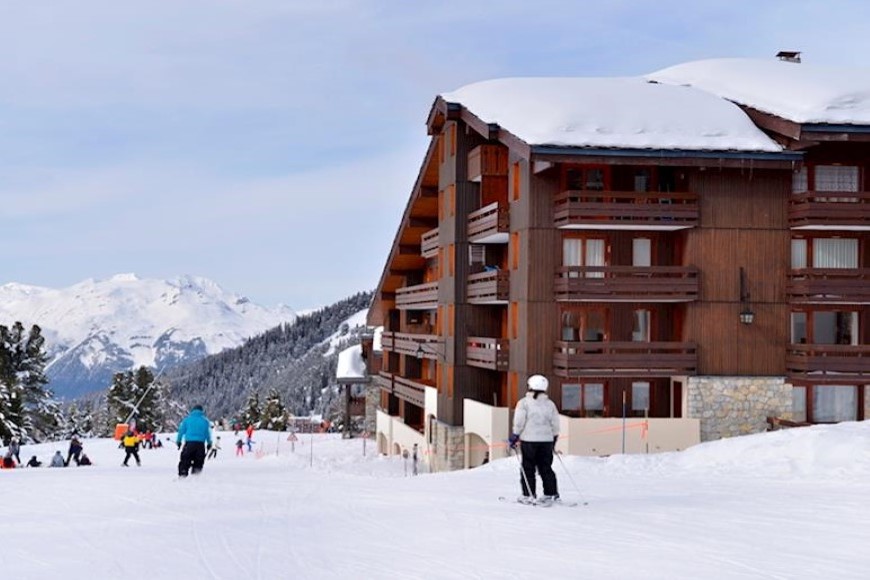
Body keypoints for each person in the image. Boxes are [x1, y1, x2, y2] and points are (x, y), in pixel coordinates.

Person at [509, 374, 560, 506]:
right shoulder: (550, 404)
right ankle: (551, 493)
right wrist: (554, 437)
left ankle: (528, 494)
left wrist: (515, 435)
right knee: (546, 467)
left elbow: (519, 421)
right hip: (547, 440)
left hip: (529, 440)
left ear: (530, 386)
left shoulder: (524, 403)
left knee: (528, 467)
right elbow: (555, 423)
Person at [176, 404, 213, 477]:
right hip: (200, 444)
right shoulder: (205, 421)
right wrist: (209, 443)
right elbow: (207, 433)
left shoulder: (187, 420)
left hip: (189, 444)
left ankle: (183, 474)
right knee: (199, 460)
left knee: (185, 459)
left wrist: (179, 441)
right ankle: (196, 475)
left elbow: (181, 432)